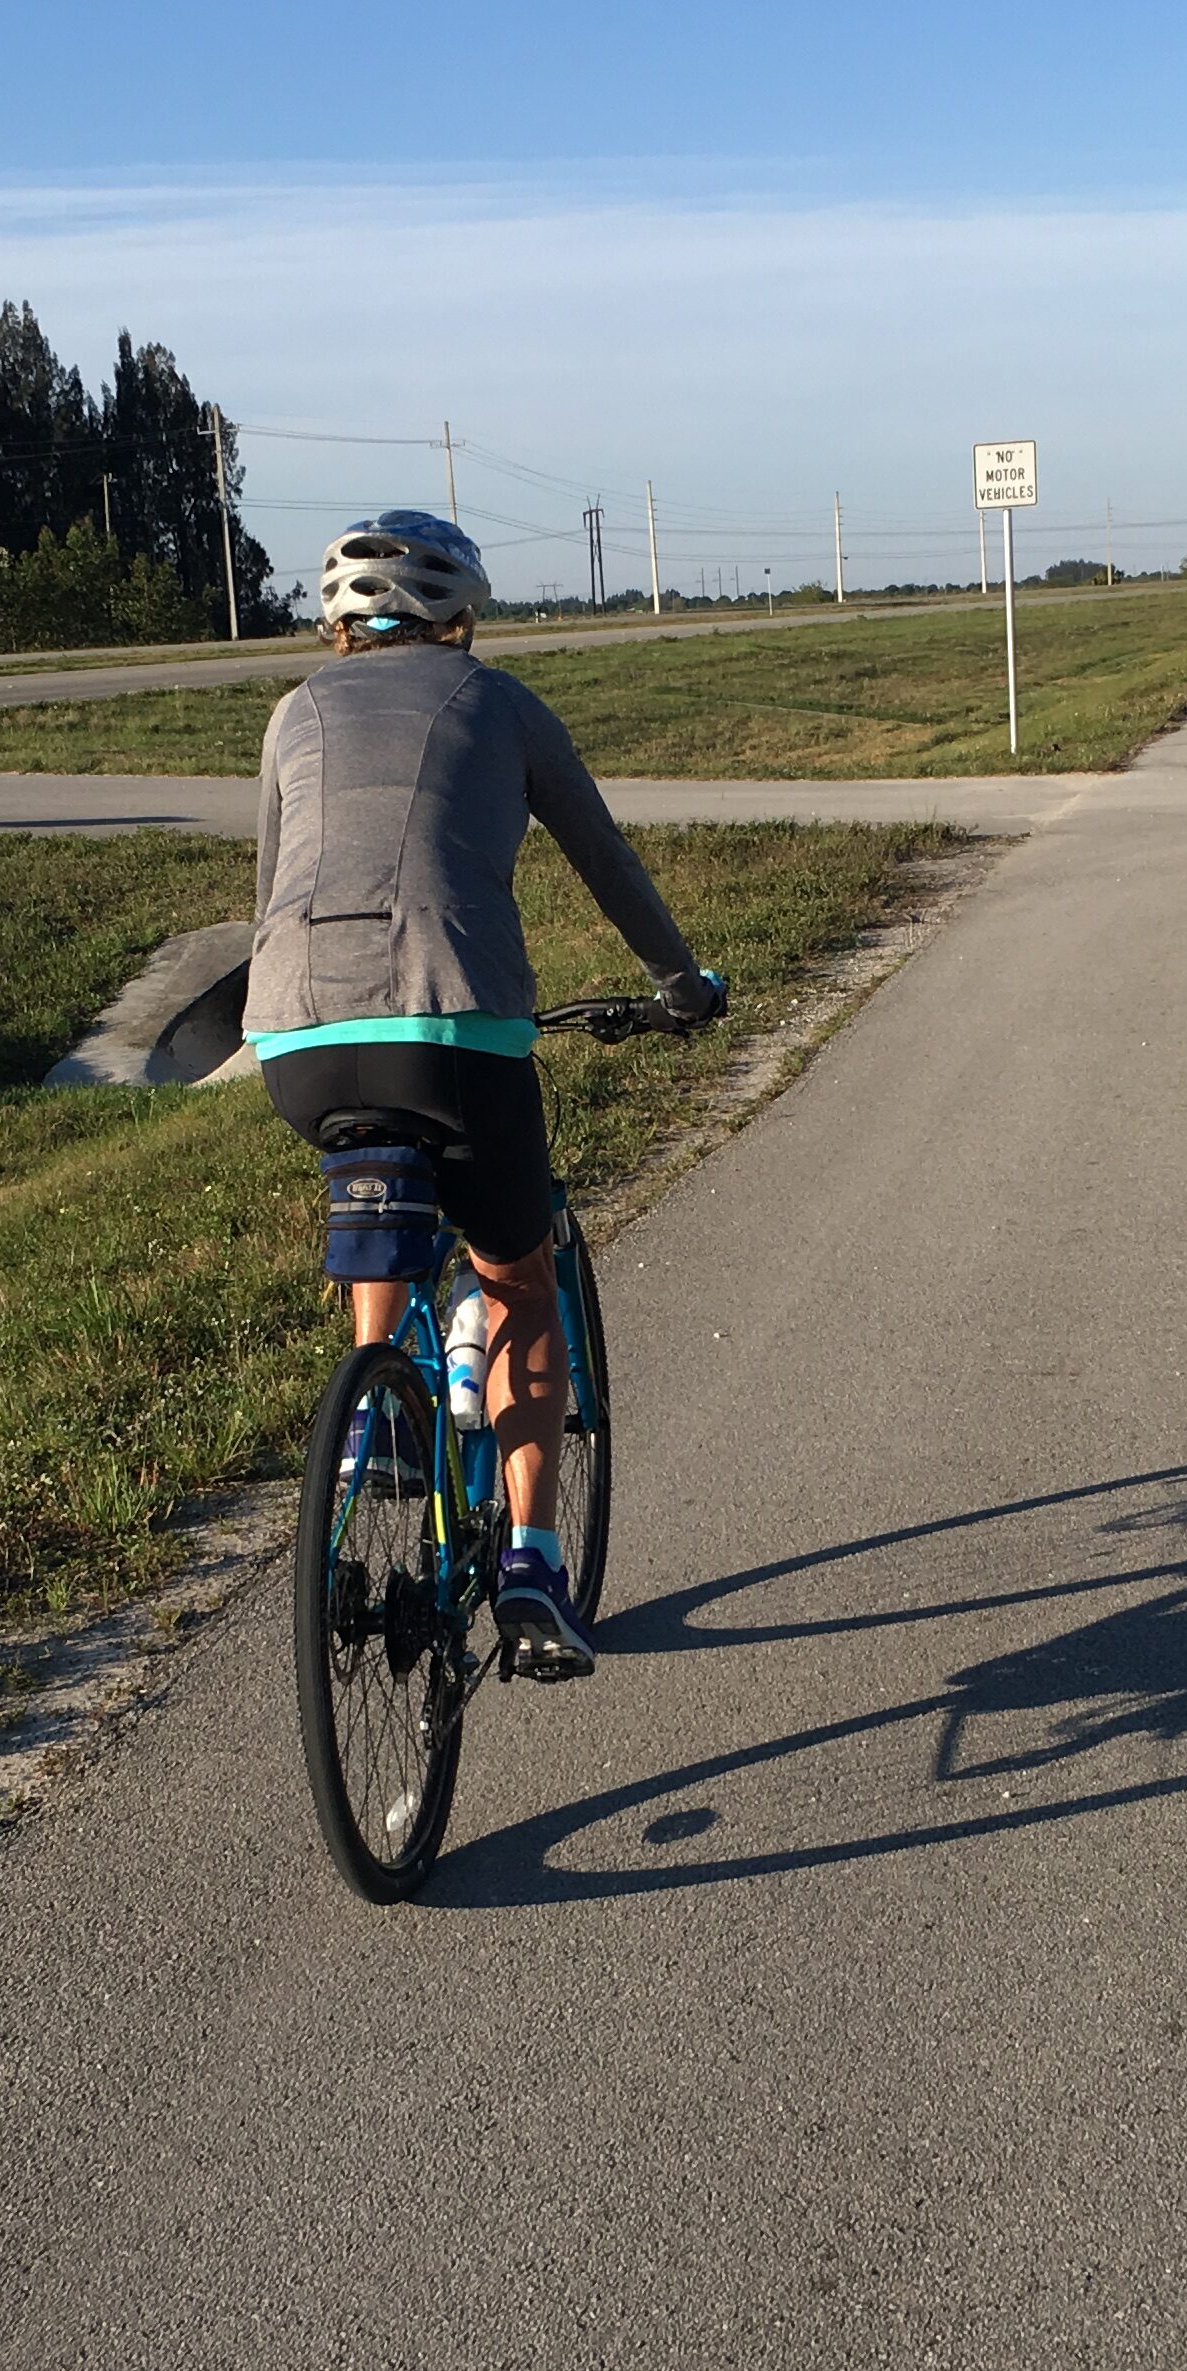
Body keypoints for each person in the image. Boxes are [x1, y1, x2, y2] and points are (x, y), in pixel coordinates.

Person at [248, 512, 721, 1679]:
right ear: (460, 618)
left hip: (297, 1038)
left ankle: (381, 1421)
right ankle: (532, 1567)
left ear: (337, 624)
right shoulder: (498, 702)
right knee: (516, 1274)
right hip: (452, 1027)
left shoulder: (292, 713)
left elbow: (271, 884)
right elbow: (602, 857)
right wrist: (682, 984)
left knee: (385, 1228)